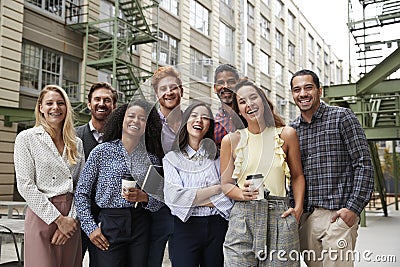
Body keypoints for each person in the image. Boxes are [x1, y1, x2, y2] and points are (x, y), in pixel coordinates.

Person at [289, 69, 374, 267]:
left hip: (338, 215)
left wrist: (353, 209)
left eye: (308, 88)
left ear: (320, 90)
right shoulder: (292, 130)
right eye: (297, 89)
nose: (302, 94)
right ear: (292, 95)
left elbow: (363, 164)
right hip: (307, 218)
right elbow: (293, 175)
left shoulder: (342, 118)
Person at [221, 80, 305, 266]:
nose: (249, 104)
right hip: (242, 217)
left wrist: (298, 208)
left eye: (253, 98)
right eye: (242, 102)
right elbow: (225, 184)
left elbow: (298, 176)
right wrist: (241, 193)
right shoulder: (231, 141)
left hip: (279, 216)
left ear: (264, 102)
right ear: (239, 110)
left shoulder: (286, 134)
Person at [75, 100, 164, 267]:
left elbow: (159, 199)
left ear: (148, 125)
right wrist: (90, 228)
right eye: (131, 116)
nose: (136, 121)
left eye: (142, 119)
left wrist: (144, 197)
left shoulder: (151, 158)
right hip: (110, 223)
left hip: (140, 224)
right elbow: (81, 192)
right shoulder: (102, 152)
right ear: (121, 119)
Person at [14, 85, 85, 266]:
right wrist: (58, 220)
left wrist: (70, 220)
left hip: (71, 216)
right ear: (41, 108)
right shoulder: (26, 138)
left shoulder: (76, 142)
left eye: (60, 103)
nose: (55, 107)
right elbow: (25, 185)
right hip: (41, 213)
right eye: (50, 103)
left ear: (67, 108)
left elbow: (81, 186)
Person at [163, 102, 233, 267]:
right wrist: (216, 189)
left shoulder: (219, 157)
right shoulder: (172, 159)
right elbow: (174, 199)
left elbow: (229, 195)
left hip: (218, 226)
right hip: (185, 229)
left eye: (205, 117)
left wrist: (191, 197)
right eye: (194, 116)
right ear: (186, 121)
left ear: (210, 125)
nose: (199, 120)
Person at [75, 81, 118, 266]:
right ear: (89, 104)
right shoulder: (74, 137)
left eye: (107, 100)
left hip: (109, 223)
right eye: (97, 99)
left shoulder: (121, 141)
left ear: (114, 106)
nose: (102, 103)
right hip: (77, 218)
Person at [147, 65, 184, 266]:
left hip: (187, 203)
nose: (169, 92)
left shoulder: (193, 121)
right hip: (156, 206)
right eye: (163, 89)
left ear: (181, 90)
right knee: (153, 259)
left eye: (173, 87)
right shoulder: (147, 124)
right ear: (156, 94)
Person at [213, 64, 241, 147]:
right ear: (215, 88)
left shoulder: (250, 116)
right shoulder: (212, 125)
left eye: (231, 82)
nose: (225, 86)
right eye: (220, 83)